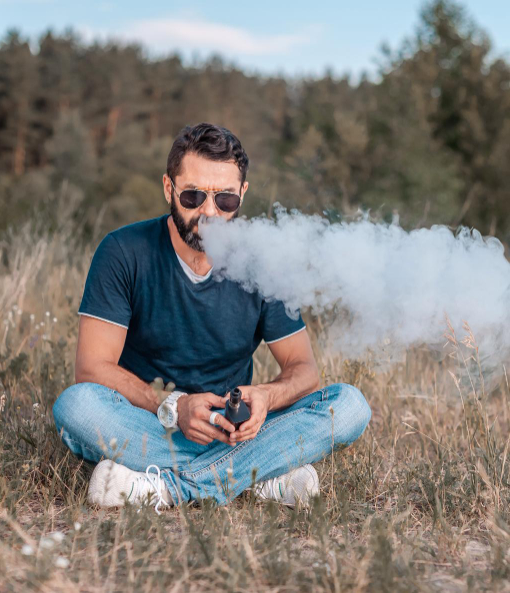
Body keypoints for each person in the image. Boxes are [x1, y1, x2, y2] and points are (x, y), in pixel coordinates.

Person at [52, 122, 371, 511]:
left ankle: (166, 488)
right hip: (150, 420)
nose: (209, 212)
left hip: (232, 430)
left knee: (350, 405)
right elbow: (91, 369)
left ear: (242, 195)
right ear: (169, 189)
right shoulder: (122, 251)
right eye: (192, 195)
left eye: (225, 200)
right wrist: (173, 406)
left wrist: (267, 396)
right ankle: (259, 477)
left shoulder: (262, 262)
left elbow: (303, 371)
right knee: (76, 406)